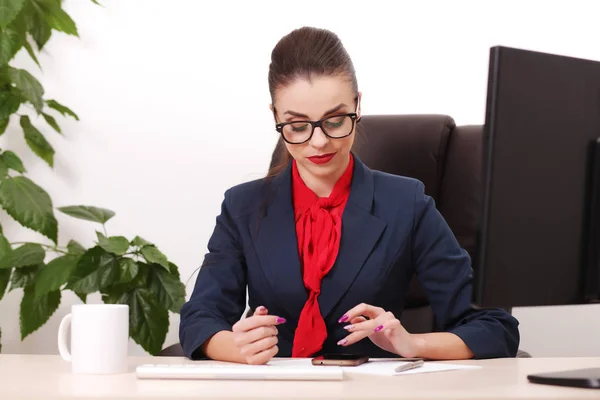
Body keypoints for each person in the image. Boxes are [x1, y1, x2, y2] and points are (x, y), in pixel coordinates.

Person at [179, 26, 520, 365]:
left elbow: (495, 327)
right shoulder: (243, 207)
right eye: (297, 126)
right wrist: (232, 346)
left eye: (336, 120)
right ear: (275, 117)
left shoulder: (407, 203)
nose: (319, 142)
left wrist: (412, 343)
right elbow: (200, 318)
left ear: (357, 105)